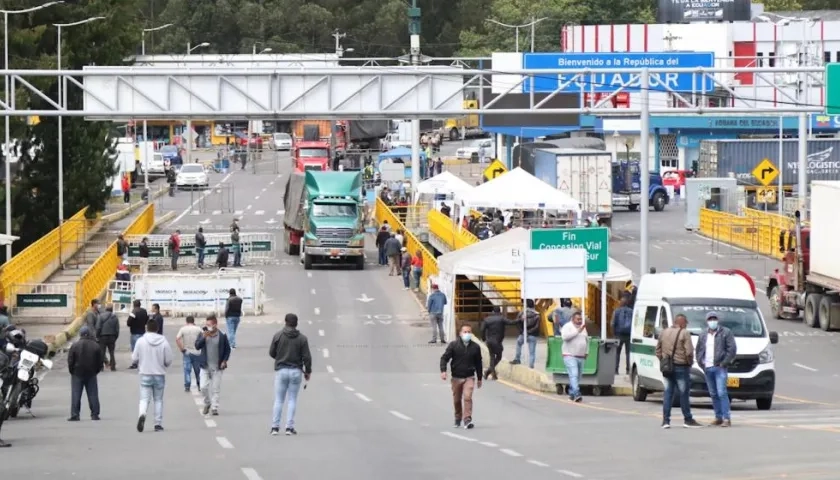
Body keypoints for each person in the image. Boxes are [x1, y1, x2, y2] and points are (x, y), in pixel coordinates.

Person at [656, 313, 702, 429]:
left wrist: (663, 360)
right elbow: (689, 351)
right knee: (684, 393)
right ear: (682, 322)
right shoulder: (684, 333)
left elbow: (657, 350)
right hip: (681, 366)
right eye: (686, 323)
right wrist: (689, 362)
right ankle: (688, 419)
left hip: (667, 368)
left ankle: (665, 420)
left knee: (668, 393)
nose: (686, 325)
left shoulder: (664, 332)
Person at [269, 313, 312, 436]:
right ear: (296, 323)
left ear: (285, 322)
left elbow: (272, 352)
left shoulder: (278, 336)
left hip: (281, 370)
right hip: (296, 371)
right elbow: (307, 357)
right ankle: (289, 427)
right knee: (292, 399)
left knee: (279, 400)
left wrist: (280, 357)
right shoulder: (302, 339)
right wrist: (307, 371)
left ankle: (275, 427)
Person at [695, 312, 737, 428]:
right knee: (713, 394)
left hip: (720, 367)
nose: (712, 321)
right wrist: (701, 362)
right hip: (707, 367)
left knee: (721, 392)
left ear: (718, 320)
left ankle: (726, 418)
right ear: (707, 321)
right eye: (710, 319)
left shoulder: (726, 332)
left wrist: (724, 363)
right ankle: (718, 417)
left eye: (714, 319)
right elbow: (699, 350)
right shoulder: (703, 334)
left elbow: (732, 349)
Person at [131, 319, 173, 433]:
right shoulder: (164, 342)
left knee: (144, 399)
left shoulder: (140, 341)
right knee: (158, 400)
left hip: (145, 373)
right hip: (159, 374)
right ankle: (157, 424)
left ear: (146, 328)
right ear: (157, 329)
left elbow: (134, 358)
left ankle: (142, 414)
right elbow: (168, 360)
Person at [440, 324, 483, 429]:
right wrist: (443, 370)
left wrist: (480, 377)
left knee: (468, 397)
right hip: (456, 377)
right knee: (457, 400)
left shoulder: (476, 347)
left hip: (469, 376)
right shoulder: (453, 345)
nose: (467, 334)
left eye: (469, 332)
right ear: (460, 333)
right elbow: (444, 358)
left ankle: (467, 419)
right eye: (465, 332)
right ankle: (458, 418)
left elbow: (478, 363)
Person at [195, 315, 231, 416]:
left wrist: (224, 360)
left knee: (216, 389)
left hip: (217, 367)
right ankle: (207, 403)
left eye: (209, 325)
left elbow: (227, 350)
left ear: (215, 325)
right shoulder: (203, 334)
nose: (208, 327)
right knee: (203, 387)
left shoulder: (222, 335)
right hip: (205, 366)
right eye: (206, 325)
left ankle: (214, 407)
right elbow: (197, 346)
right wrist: (203, 338)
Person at [67, 326, 103, 421]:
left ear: (80, 334)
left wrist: (72, 371)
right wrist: (96, 371)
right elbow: (100, 362)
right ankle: (95, 414)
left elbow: (70, 360)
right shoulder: (95, 345)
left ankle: (75, 414)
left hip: (77, 373)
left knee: (76, 394)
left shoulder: (75, 345)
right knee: (93, 394)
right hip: (91, 373)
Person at [480, 307, 517, 380]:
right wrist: (520, 320)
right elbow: (511, 322)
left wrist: (484, 339)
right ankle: (490, 372)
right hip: (497, 341)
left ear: (493, 311)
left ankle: (489, 372)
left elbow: (482, 330)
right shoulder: (501, 318)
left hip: (489, 341)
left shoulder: (487, 319)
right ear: (499, 311)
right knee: (499, 356)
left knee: (492, 357)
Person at [560, 312, 589, 402]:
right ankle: (576, 393)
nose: (580, 321)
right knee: (574, 374)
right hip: (569, 355)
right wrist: (577, 331)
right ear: (573, 319)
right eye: (578, 319)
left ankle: (572, 393)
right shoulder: (567, 327)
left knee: (578, 376)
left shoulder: (583, 328)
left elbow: (586, 339)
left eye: (581, 319)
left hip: (580, 355)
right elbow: (564, 337)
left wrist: (586, 351)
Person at [176, 316, 203, 393]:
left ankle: (187, 385)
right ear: (194, 321)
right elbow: (204, 337)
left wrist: (181, 348)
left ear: (186, 321)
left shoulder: (183, 329)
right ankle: (199, 384)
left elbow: (177, 338)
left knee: (187, 370)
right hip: (197, 352)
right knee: (198, 370)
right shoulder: (198, 329)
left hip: (187, 351)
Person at [511, 300, 540, 369]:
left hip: (523, 334)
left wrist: (523, 332)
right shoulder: (537, 314)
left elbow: (517, 323)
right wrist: (529, 332)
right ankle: (531, 366)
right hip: (533, 335)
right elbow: (537, 326)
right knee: (532, 352)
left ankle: (517, 359)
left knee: (518, 344)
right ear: (533, 305)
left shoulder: (521, 313)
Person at [611, 295, 634, 375]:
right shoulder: (632, 311)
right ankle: (628, 370)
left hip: (618, 335)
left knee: (617, 353)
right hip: (629, 335)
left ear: (621, 303)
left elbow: (612, 323)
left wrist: (614, 334)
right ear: (627, 303)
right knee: (628, 353)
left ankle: (616, 370)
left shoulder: (616, 311)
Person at [95, 304, 119, 371]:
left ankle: (101, 367)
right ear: (112, 310)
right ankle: (113, 366)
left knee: (102, 352)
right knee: (112, 352)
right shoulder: (115, 317)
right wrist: (115, 337)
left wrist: (97, 336)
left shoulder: (100, 316)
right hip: (112, 336)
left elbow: (98, 327)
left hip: (103, 336)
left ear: (106, 309)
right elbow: (117, 329)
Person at [127, 300, 149, 370]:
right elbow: (146, 320)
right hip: (142, 332)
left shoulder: (134, 311)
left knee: (134, 349)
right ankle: (143, 362)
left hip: (134, 333)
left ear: (134, 305)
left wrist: (132, 324)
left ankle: (135, 363)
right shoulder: (144, 311)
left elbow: (129, 322)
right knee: (142, 348)